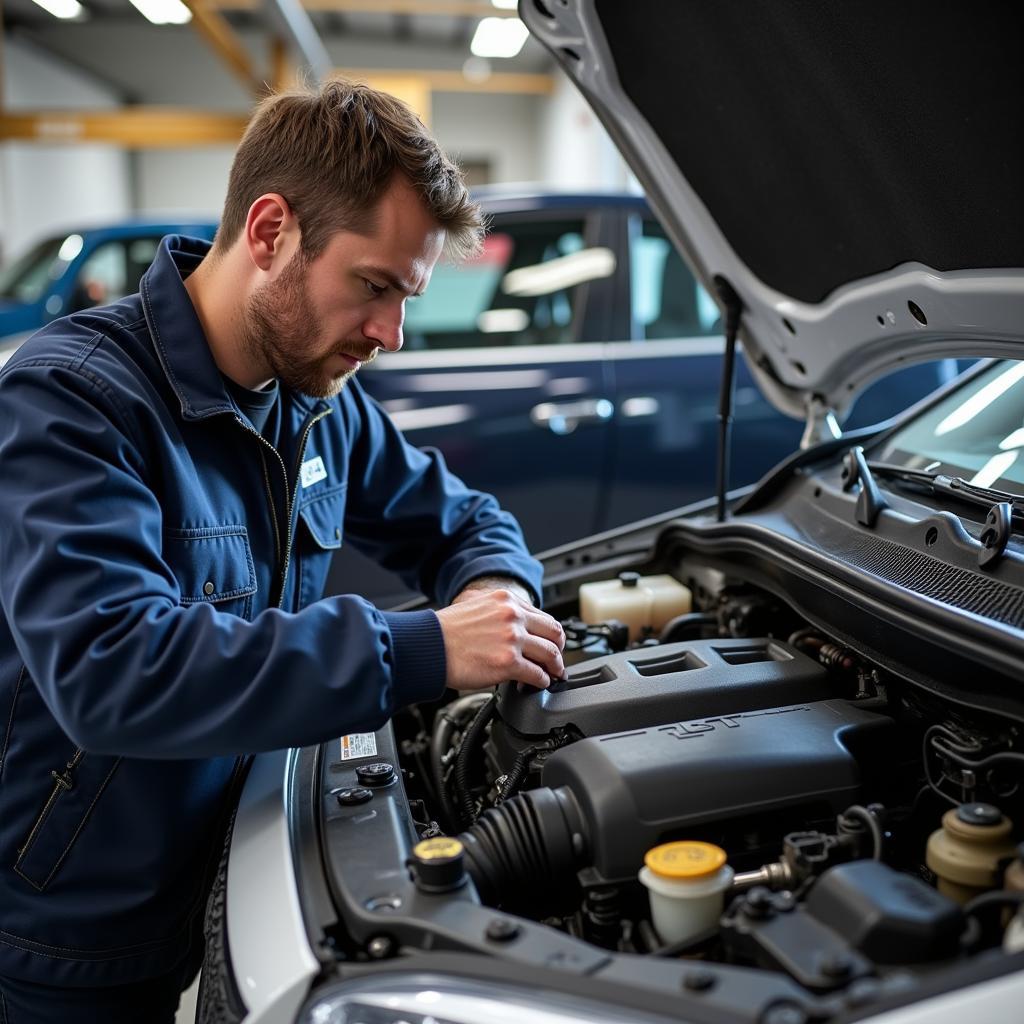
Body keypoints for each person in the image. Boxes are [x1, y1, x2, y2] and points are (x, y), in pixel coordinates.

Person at [0, 78, 565, 1022]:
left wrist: (497, 603)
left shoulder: (315, 404)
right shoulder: (74, 403)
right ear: (270, 232)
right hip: (64, 934)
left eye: (405, 297)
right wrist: (421, 647)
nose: (389, 334)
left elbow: (467, 520)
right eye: (373, 286)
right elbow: (114, 669)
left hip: (217, 872)